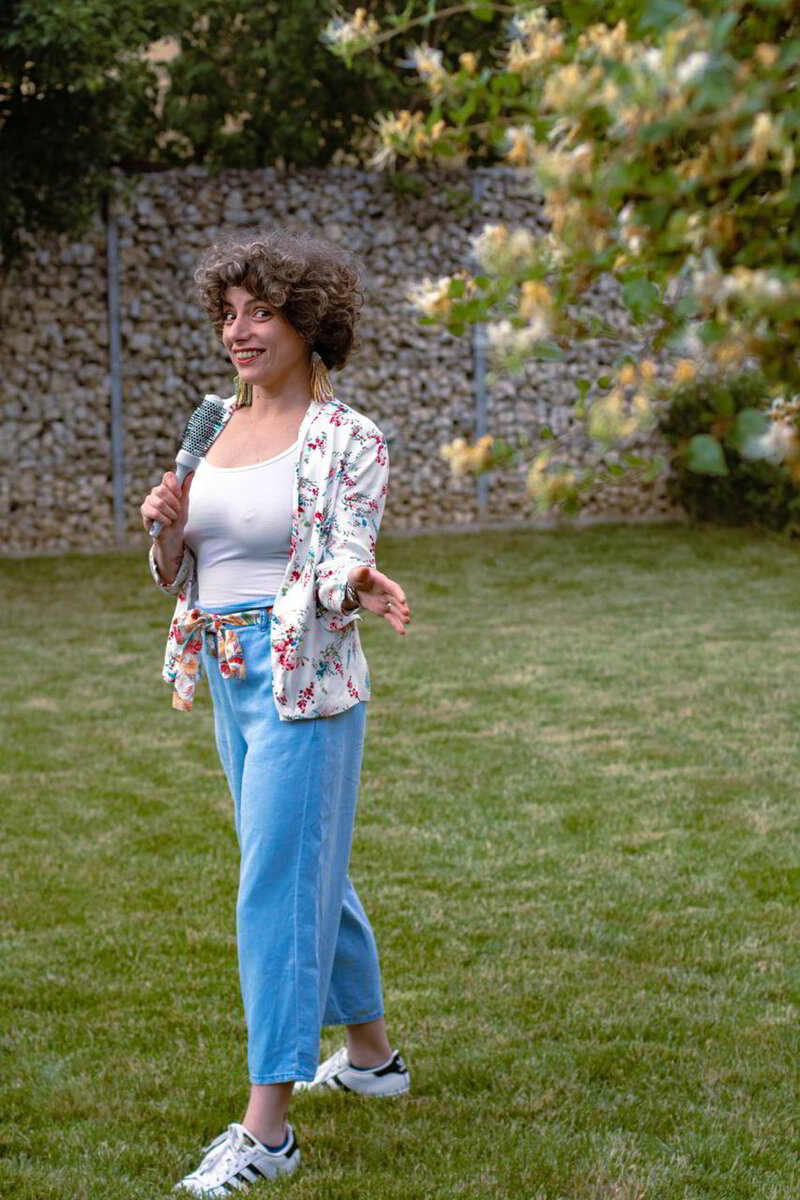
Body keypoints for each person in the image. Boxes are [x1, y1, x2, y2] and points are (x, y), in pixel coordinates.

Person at [140, 227, 412, 1196]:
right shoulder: (211, 424)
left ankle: (267, 1131)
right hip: (225, 669)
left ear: (307, 322)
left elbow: (342, 550)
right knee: (302, 867)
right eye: (227, 314)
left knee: (275, 883)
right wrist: (166, 532)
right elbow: (183, 569)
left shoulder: (350, 438)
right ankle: (372, 1060)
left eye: (260, 312)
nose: (238, 331)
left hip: (304, 681)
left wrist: (356, 583)